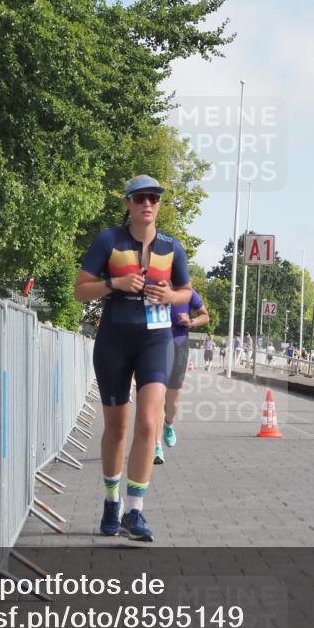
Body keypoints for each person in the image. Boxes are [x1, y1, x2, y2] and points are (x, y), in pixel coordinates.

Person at [73, 174, 192, 542]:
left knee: (147, 423)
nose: (148, 204)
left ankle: (135, 511)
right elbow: (80, 291)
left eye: (154, 198)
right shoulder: (109, 240)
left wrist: (169, 297)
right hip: (114, 340)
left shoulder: (173, 247)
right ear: (127, 203)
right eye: (140, 198)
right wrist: (115, 284)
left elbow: (187, 292)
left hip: (156, 340)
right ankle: (112, 501)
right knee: (118, 429)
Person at [156, 288, 209, 464]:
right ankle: (156, 446)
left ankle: (169, 423)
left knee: (172, 403)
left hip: (178, 343)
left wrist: (191, 322)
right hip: (153, 345)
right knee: (155, 399)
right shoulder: (151, 287)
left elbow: (205, 315)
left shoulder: (187, 292)